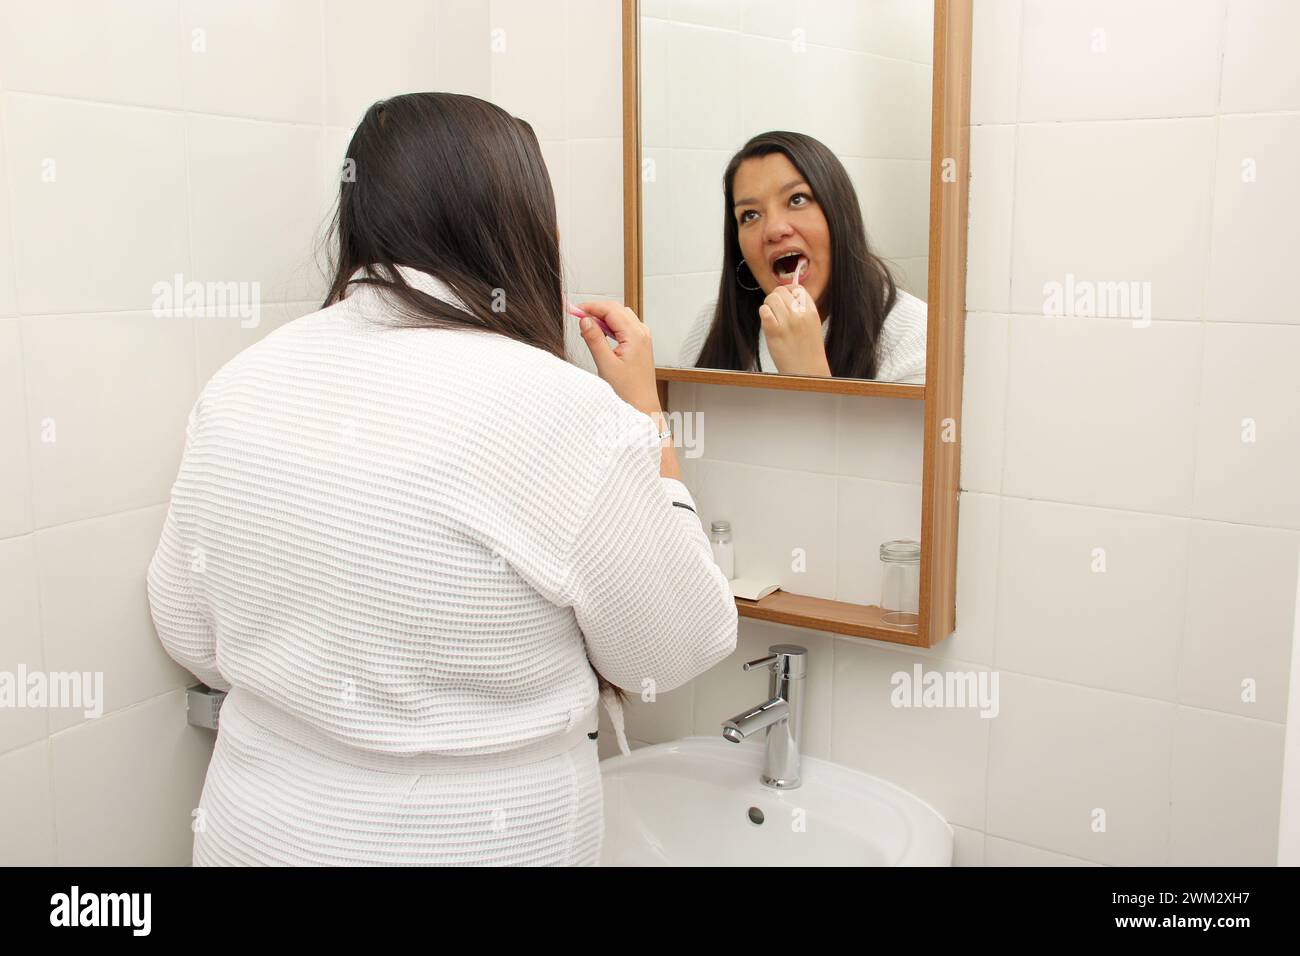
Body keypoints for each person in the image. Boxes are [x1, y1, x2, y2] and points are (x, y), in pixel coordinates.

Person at [146, 92, 738, 866]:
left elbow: (190, 630)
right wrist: (644, 417)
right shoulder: (559, 410)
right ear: (519, 226)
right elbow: (675, 650)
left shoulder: (242, 382)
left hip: (253, 837)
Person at [679, 130, 927, 383]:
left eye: (797, 199)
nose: (774, 230)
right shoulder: (711, 327)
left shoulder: (915, 337)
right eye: (750, 215)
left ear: (839, 215)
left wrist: (808, 372)